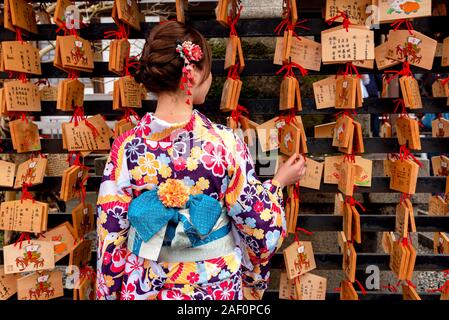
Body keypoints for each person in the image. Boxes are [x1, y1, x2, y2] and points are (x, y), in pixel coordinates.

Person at [96, 21, 306, 300]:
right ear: (191, 74)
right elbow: (260, 226)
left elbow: (110, 234)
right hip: (213, 286)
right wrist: (277, 183)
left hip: (146, 284)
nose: (211, 80)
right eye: (208, 73)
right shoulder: (225, 143)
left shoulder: (127, 146)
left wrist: (109, 292)